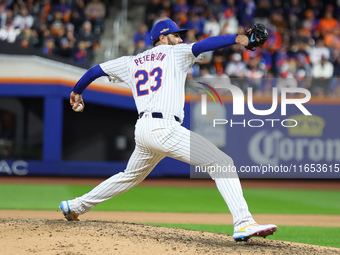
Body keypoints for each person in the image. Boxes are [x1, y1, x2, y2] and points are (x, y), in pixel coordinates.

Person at [59, 19, 277, 242]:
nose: (180, 39)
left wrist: (77, 91)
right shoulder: (175, 53)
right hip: (164, 128)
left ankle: (75, 205)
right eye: (176, 35)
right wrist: (238, 39)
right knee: (221, 163)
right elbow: (203, 45)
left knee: (129, 177)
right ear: (162, 38)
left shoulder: (132, 61)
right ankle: (243, 223)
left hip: (143, 129)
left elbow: (96, 70)